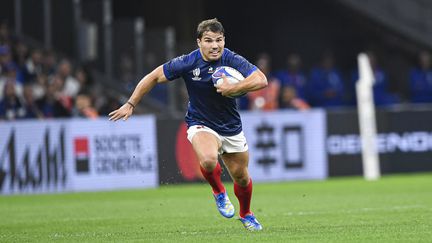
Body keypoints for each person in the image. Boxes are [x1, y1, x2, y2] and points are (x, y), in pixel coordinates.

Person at [109, 18, 267, 231]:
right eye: (209, 40)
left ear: (224, 41)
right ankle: (219, 192)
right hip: (200, 122)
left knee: (241, 176)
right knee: (210, 160)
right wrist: (130, 103)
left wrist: (234, 87)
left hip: (231, 126)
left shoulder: (231, 58)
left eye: (219, 40)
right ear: (199, 42)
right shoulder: (188, 62)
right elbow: (154, 76)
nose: (215, 46)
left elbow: (261, 80)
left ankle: (246, 213)